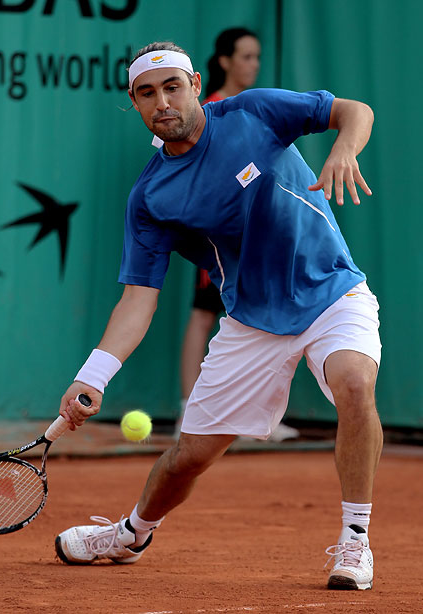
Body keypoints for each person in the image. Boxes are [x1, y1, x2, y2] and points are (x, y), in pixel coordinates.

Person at [54, 42, 382, 592]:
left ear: (196, 86)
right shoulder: (151, 197)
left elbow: (354, 111)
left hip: (332, 291)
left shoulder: (254, 111)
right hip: (251, 320)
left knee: (354, 382)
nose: (162, 102)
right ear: (134, 102)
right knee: (189, 458)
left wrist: (344, 149)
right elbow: (138, 297)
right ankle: (131, 533)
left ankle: (355, 539)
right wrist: (94, 375)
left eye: (172, 87)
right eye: (147, 93)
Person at [179, 27, 299, 442]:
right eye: (246, 56)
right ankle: (188, 410)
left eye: (257, 57)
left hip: (263, 239)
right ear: (225, 61)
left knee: (265, 323)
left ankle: (259, 419)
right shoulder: (205, 110)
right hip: (221, 239)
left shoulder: (254, 107)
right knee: (204, 314)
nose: (254, 65)